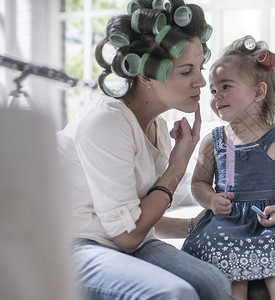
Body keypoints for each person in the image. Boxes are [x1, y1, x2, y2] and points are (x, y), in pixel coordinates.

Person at [57, 1, 232, 299]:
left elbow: (134, 221)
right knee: (174, 293)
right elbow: (126, 235)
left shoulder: (158, 128)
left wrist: (200, 224)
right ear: (146, 75)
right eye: (186, 71)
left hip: (126, 241)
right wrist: (178, 164)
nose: (202, 81)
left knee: (214, 283)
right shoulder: (106, 123)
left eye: (200, 68)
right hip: (77, 245)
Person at [182, 35, 275, 300]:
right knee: (224, 260)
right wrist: (211, 200)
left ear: (259, 92)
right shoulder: (212, 142)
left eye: (225, 87)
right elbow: (198, 184)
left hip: (269, 221)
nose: (217, 96)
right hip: (227, 223)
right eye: (213, 90)